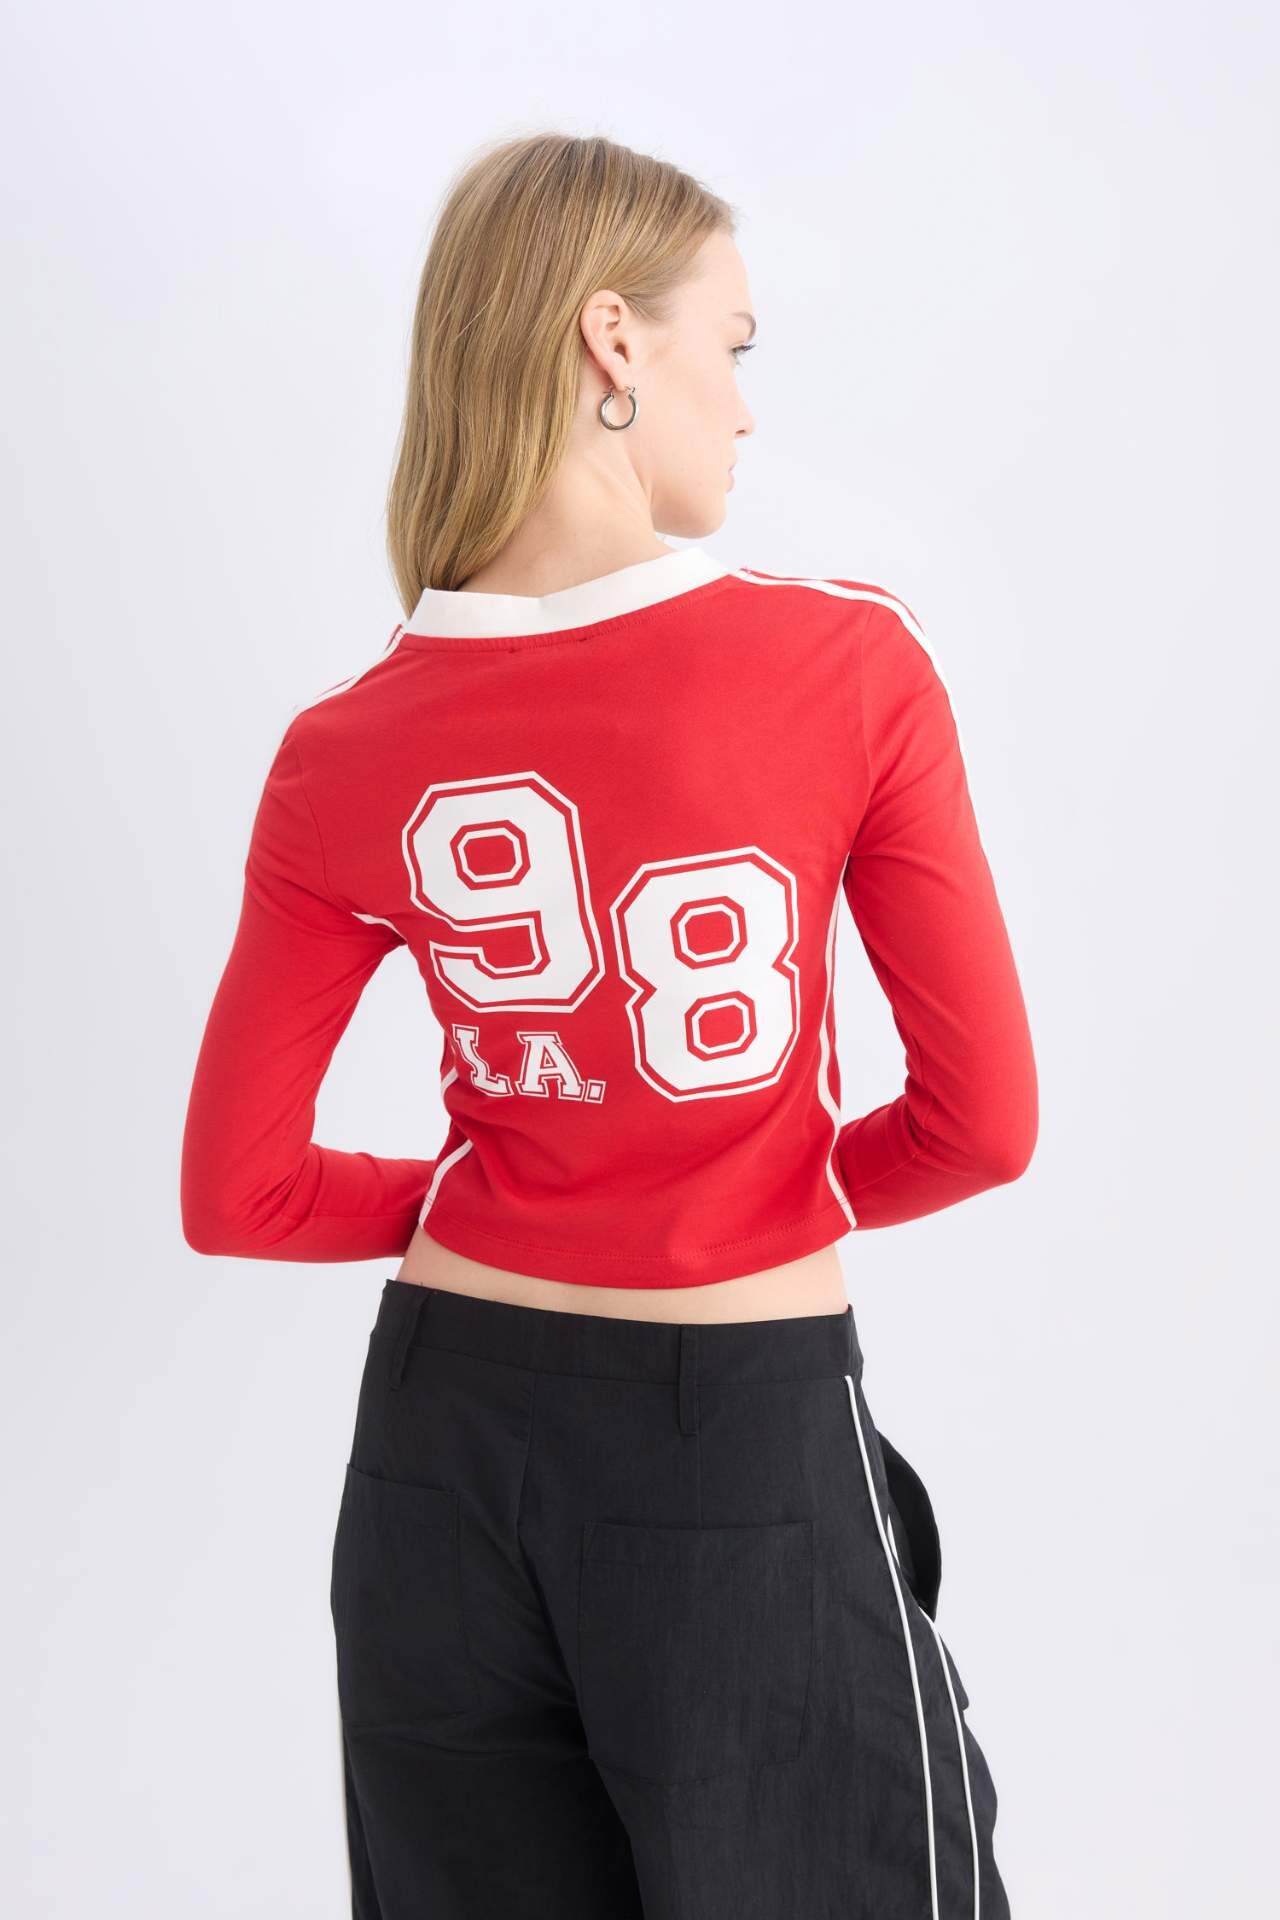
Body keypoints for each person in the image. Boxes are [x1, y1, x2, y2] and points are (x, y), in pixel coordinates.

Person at [181, 130, 1038, 1920]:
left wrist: (501, 1193)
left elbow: (239, 1195)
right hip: (731, 1446)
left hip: (432, 1462)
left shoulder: (343, 746)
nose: (747, 404)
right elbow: (981, 1123)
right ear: (613, 341)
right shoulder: (846, 664)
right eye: (734, 343)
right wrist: (736, 1189)